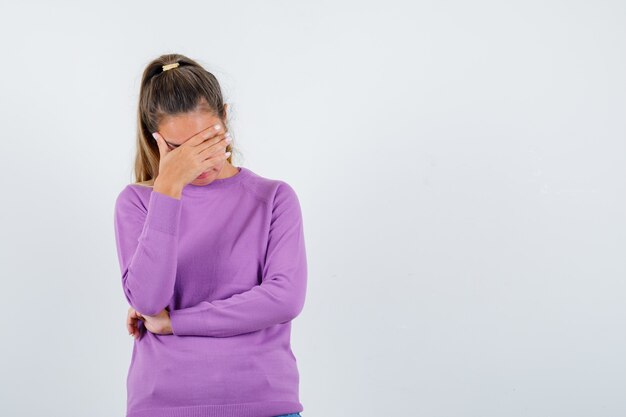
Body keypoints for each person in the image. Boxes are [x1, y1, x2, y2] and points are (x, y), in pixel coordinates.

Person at [113, 53, 307, 417]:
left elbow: (284, 299)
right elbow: (149, 301)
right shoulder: (137, 203)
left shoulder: (273, 198)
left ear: (225, 119)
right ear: (154, 139)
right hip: (164, 403)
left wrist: (177, 322)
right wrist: (168, 188)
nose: (197, 160)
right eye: (178, 149)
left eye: (207, 140)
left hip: (263, 401)